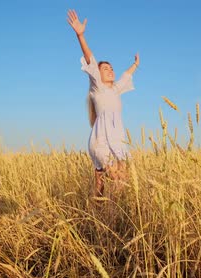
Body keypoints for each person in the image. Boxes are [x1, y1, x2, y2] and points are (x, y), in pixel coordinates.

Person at [67, 9, 139, 197]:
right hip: (101, 141)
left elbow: (125, 76)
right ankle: (99, 217)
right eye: (105, 68)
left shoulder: (115, 89)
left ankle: (100, 218)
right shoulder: (97, 86)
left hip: (118, 141)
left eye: (111, 68)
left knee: (100, 188)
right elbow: (90, 59)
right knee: (119, 178)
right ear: (98, 74)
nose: (110, 70)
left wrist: (135, 65)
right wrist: (80, 35)